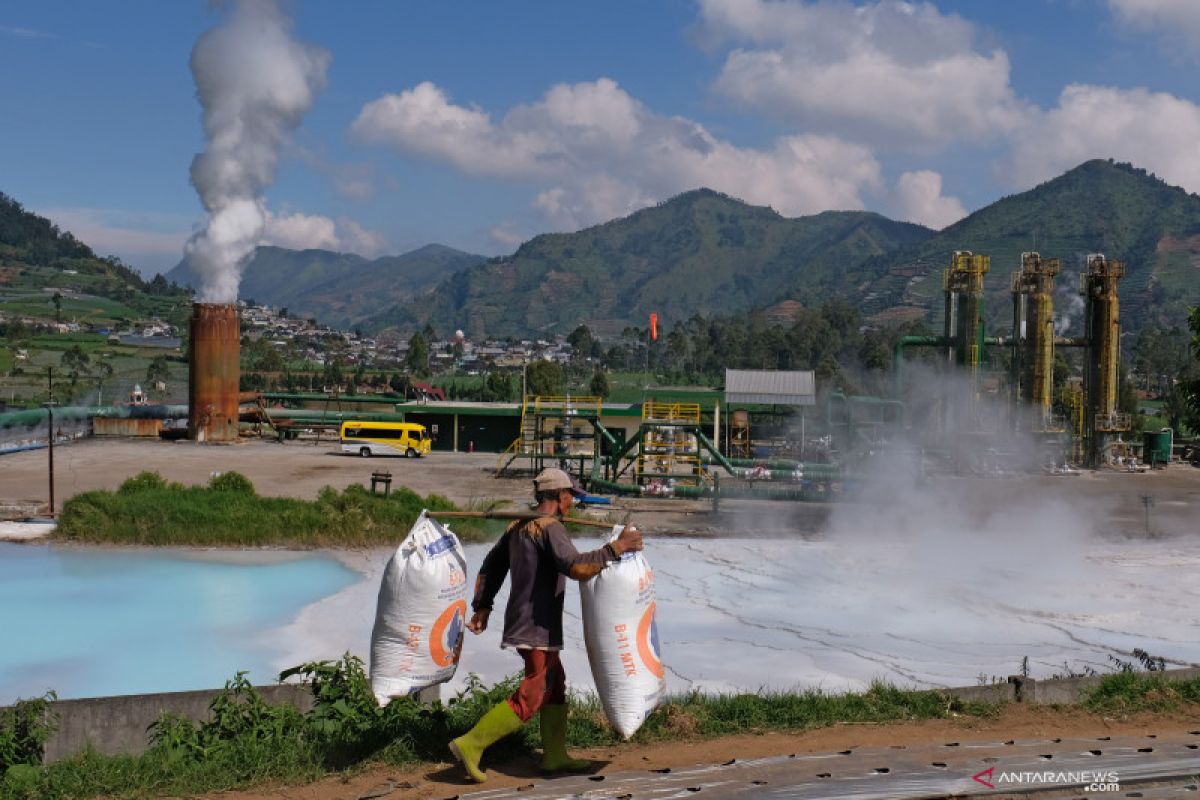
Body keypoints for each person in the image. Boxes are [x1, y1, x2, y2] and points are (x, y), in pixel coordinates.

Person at [448, 468, 643, 783]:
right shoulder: (550, 529)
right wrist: (616, 549)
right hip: (535, 624)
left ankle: (554, 756)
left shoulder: (518, 525)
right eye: (571, 497)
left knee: (555, 684)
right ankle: (471, 744)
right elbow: (577, 567)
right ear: (558, 496)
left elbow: (491, 566)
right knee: (535, 691)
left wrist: (482, 606)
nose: (573, 503)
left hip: (530, 621)